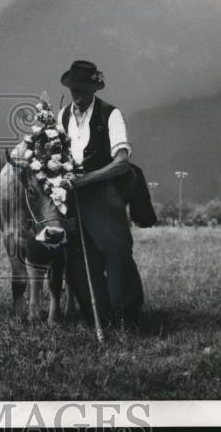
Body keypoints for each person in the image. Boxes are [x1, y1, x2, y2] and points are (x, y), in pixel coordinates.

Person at [56, 59, 144, 327]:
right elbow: (56, 154)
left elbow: (121, 162)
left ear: (94, 90)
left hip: (102, 194)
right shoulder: (62, 117)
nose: (79, 97)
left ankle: (127, 314)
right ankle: (98, 316)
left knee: (116, 251)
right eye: (75, 91)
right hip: (72, 196)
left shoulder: (110, 115)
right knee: (79, 258)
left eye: (84, 92)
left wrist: (87, 179)